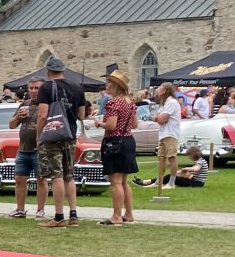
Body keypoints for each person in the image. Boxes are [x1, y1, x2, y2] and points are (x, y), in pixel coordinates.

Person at [35, 57, 88, 228]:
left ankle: (58, 216)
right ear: (64, 71)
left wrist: (39, 135)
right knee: (69, 175)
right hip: (70, 134)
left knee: (56, 175)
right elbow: (81, 115)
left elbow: (43, 115)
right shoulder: (77, 87)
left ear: (48, 71)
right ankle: (74, 214)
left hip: (53, 134)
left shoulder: (46, 87)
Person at [94, 69, 139, 225]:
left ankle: (116, 216)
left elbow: (111, 125)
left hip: (114, 142)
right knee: (124, 181)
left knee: (116, 181)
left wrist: (100, 123)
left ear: (115, 86)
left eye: (109, 82)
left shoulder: (113, 102)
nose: (107, 85)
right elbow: (134, 124)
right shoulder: (130, 102)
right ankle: (128, 213)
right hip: (128, 141)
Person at [7, 78, 48, 219]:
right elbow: (11, 125)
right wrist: (18, 116)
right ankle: (20, 209)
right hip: (23, 148)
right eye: (31, 88)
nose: (33, 91)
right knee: (19, 178)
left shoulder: (47, 105)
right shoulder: (24, 104)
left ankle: (40, 210)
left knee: (41, 180)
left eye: (37, 88)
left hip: (40, 149)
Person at [134, 82, 183, 195]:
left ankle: (171, 182)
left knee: (171, 157)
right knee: (161, 158)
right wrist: (157, 117)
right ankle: (159, 181)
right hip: (163, 133)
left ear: (165, 90)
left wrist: (157, 118)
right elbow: (156, 116)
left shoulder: (171, 102)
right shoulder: (164, 104)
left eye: (160, 88)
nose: (157, 90)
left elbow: (161, 119)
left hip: (170, 134)